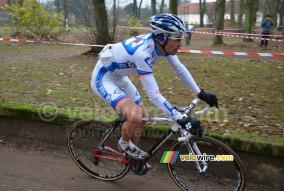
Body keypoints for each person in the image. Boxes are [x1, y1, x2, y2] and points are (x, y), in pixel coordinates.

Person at [91, 13, 218, 161]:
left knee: (143, 116)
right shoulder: (143, 54)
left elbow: (179, 68)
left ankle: (131, 158)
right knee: (135, 115)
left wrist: (199, 93)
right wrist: (180, 119)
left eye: (180, 38)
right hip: (103, 78)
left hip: (119, 76)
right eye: (177, 39)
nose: (180, 43)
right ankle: (124, 144)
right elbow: (154, 96)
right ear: (162, 38)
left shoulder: (161, 45)